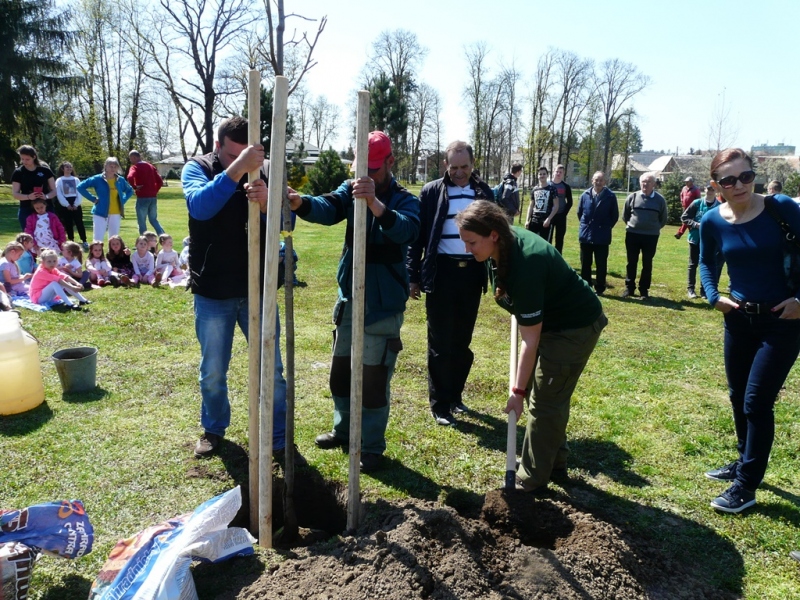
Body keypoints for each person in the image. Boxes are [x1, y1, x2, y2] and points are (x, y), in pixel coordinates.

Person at [289, 130, 420, 471]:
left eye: (374, 169)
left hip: (382, 303)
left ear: (390, 162)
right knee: (342, 372)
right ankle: (343, 431)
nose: (366, 176)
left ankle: (372, 445)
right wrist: (300, 203)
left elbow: (406, 230)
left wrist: (375, 204)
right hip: (349, 298)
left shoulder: (405, 199)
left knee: (373, 379)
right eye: (361, 169)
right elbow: (327, 207)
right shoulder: (350, 189)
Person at [455, 201, 607, 493]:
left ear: (493, 234)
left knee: (544, 400)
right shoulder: (502, 247)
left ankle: (530, 479)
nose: (467, 249)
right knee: (551, 395)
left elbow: (531, 340)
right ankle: (555, 462)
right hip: (550, 324)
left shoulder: (527, 262)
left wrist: (517, 393)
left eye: (472, 242)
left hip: (572, 329)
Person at [182, 115, 302, 465]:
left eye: (252, 156)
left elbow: (287, 223)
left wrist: (267, 204)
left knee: (272, 370)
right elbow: (200, 207)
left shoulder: (265, 171)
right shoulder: (198, 168)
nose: (250, 163)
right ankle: (214, 428)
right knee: (214, 370)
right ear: (219, 146)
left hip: (258, 289)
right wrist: (236, 170)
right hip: (213, 291)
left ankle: (278, 438)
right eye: (236, 154)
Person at [699, 148, 800, 513]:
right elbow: (706, 263)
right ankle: (744, 461)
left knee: (757, 402)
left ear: (753, 176)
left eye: (745, 176)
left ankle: (746, 486)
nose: (739, 185)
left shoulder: (781, 208)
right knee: (737, 394)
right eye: (728, 180)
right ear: (717, 185)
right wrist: (714, 297)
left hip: (783, 321)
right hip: (739, 319)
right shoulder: (713, 220)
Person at [406, 140, 493, 427]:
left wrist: (501, 276)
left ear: (472, 164)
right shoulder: (432, 191)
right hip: (441, 274)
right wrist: (413, 275)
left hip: (471, 274)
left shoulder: (483, 193)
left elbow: (496, 238)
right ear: (446, 165)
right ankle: (440, 405)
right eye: (453, 167)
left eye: (464, 167)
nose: (459, 172)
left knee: (462, 342)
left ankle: (455, 395)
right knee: (440, 343)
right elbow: (418, 237)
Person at [622, 172, 668, 300]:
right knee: (631, 262)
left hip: (651, 237)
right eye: (643, 181)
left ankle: (644, 290)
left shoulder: (660, 200)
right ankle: (629, 288)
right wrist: (633, 225)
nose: (645, 184)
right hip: (633, 234)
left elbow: (663, 219)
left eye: (648, 182)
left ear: (653, 184)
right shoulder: (632, 197)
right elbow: (625, 215)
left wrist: (652, 228)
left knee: (647, 263)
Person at [577, 171, 619, 295]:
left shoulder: (610, 196)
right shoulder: (585, 195)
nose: (598, 182)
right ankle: (586, 286)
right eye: (596, 180)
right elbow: (580, 213)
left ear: (604, 182)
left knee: (601, 264)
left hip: (602, 236)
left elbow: (614, 216)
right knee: (585, 263)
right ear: (592, 180)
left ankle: (600, 287)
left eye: (601, 180)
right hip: (586, 235)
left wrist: (605, 227)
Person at [77, 157, 134, 243]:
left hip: (116, 213)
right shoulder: (97, 179)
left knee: (114, 239)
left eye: (115, 166)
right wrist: (93, 199)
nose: (113, 168)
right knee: (98, 239)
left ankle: (112, 256)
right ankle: (96, 256)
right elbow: (80, 187)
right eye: (110, 166)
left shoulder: (120, 180)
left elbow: (130, 191)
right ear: (105, 166)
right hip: (100, 212)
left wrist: (123, 200)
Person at [682, 184, 721, 299]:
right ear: (705, 189)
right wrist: (696, 225)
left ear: (716, 191)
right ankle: (691, 289)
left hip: (711, 241)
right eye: (708, 189)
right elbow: (684, 217)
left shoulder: (719, 206)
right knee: (693, 264)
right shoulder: (697, 203)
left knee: (708, 264)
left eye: (713, 189)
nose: (710, 191)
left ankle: (704, 291)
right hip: (695, 238)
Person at [11, 145, 56, 231]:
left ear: (34, 157)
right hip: (26, 208)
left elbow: (54, 191)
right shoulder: (18, 172)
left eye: (27, 159)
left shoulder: (45, 171)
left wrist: (46, 196)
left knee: (49, 233)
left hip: (46, 207)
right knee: (28, 236)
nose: (24, 161)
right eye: (22, 159)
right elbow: (15, 194)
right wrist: (28, 196)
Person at [127, 150, 166, 235]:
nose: (131, 161)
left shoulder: (135, 167)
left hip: (142, 197)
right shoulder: (151, 166)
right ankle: (164, 237)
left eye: (131, 158)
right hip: (153, 197)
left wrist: (134, 187)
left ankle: (143, 242)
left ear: (134, 157)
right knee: (153, 220)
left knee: (142, 222)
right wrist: (155, 191)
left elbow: (130, 177)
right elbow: (160, 181)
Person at [55, 162, 89, 250]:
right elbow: (59, 193)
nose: (69, 168)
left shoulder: (76, 179)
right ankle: (71, 240)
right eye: (67, 167)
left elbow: (79, 192)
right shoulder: (59, 180)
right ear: (63, 169)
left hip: (75, 203)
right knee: (68, 223)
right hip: (65, 204)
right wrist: (66, 204)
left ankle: (84, 241)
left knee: (79, 223)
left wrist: (76, 204)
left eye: (70, 167)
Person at [526, 167, 559, 243]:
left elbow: (556, 206)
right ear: (537, 175)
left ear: (547, 175)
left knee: (545, 244)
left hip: (545, 222)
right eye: (540, 174)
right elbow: (531, 206)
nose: (542, 176)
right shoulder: (534, 189)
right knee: (532, 243)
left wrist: (549, 219)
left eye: (544, 174)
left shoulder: (552, 189)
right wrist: (527, 220)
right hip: (534, 221)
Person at [549, 164, 574, 254]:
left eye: (561, 172)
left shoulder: (566, 186)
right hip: (549, 216)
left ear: (563, 174)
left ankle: (558, 259)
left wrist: (564, 213)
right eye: (557, 171)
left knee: (559, 239)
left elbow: (570, 202)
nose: (558, 174)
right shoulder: (548, 185)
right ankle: (548, 258)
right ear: (553, 172)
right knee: (548, 238)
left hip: (561, 217)